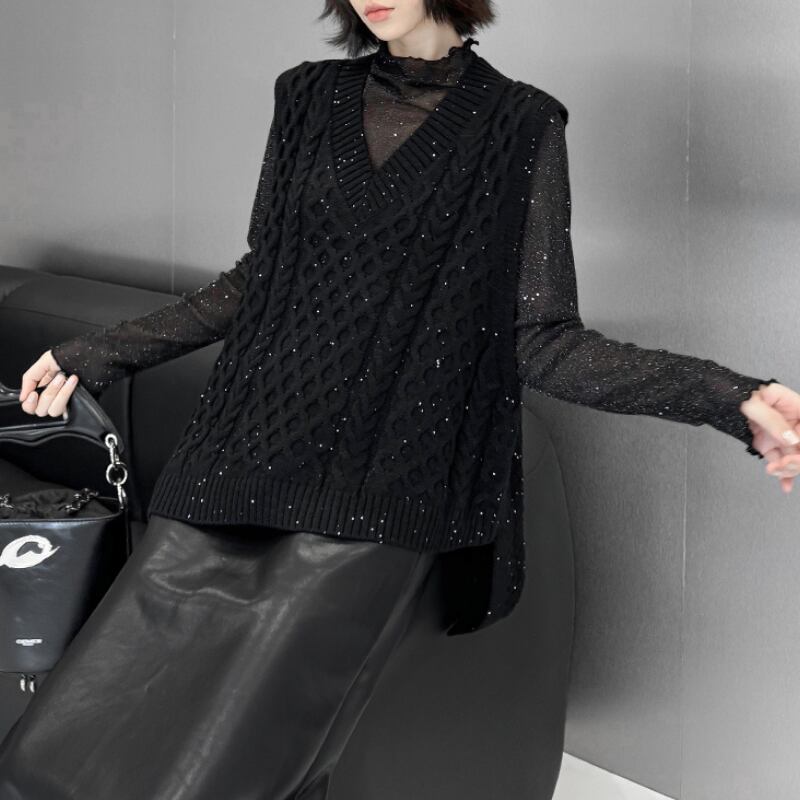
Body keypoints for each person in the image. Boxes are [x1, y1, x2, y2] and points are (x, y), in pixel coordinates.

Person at [1, 1, 798, 798]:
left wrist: (730, 398)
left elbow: (545, 339)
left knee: (226, 769)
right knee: (69, 748)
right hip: (230, 466)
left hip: (375, 499)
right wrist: (96, 353)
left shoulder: (519, 125)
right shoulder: (306, 96)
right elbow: (255, 282)